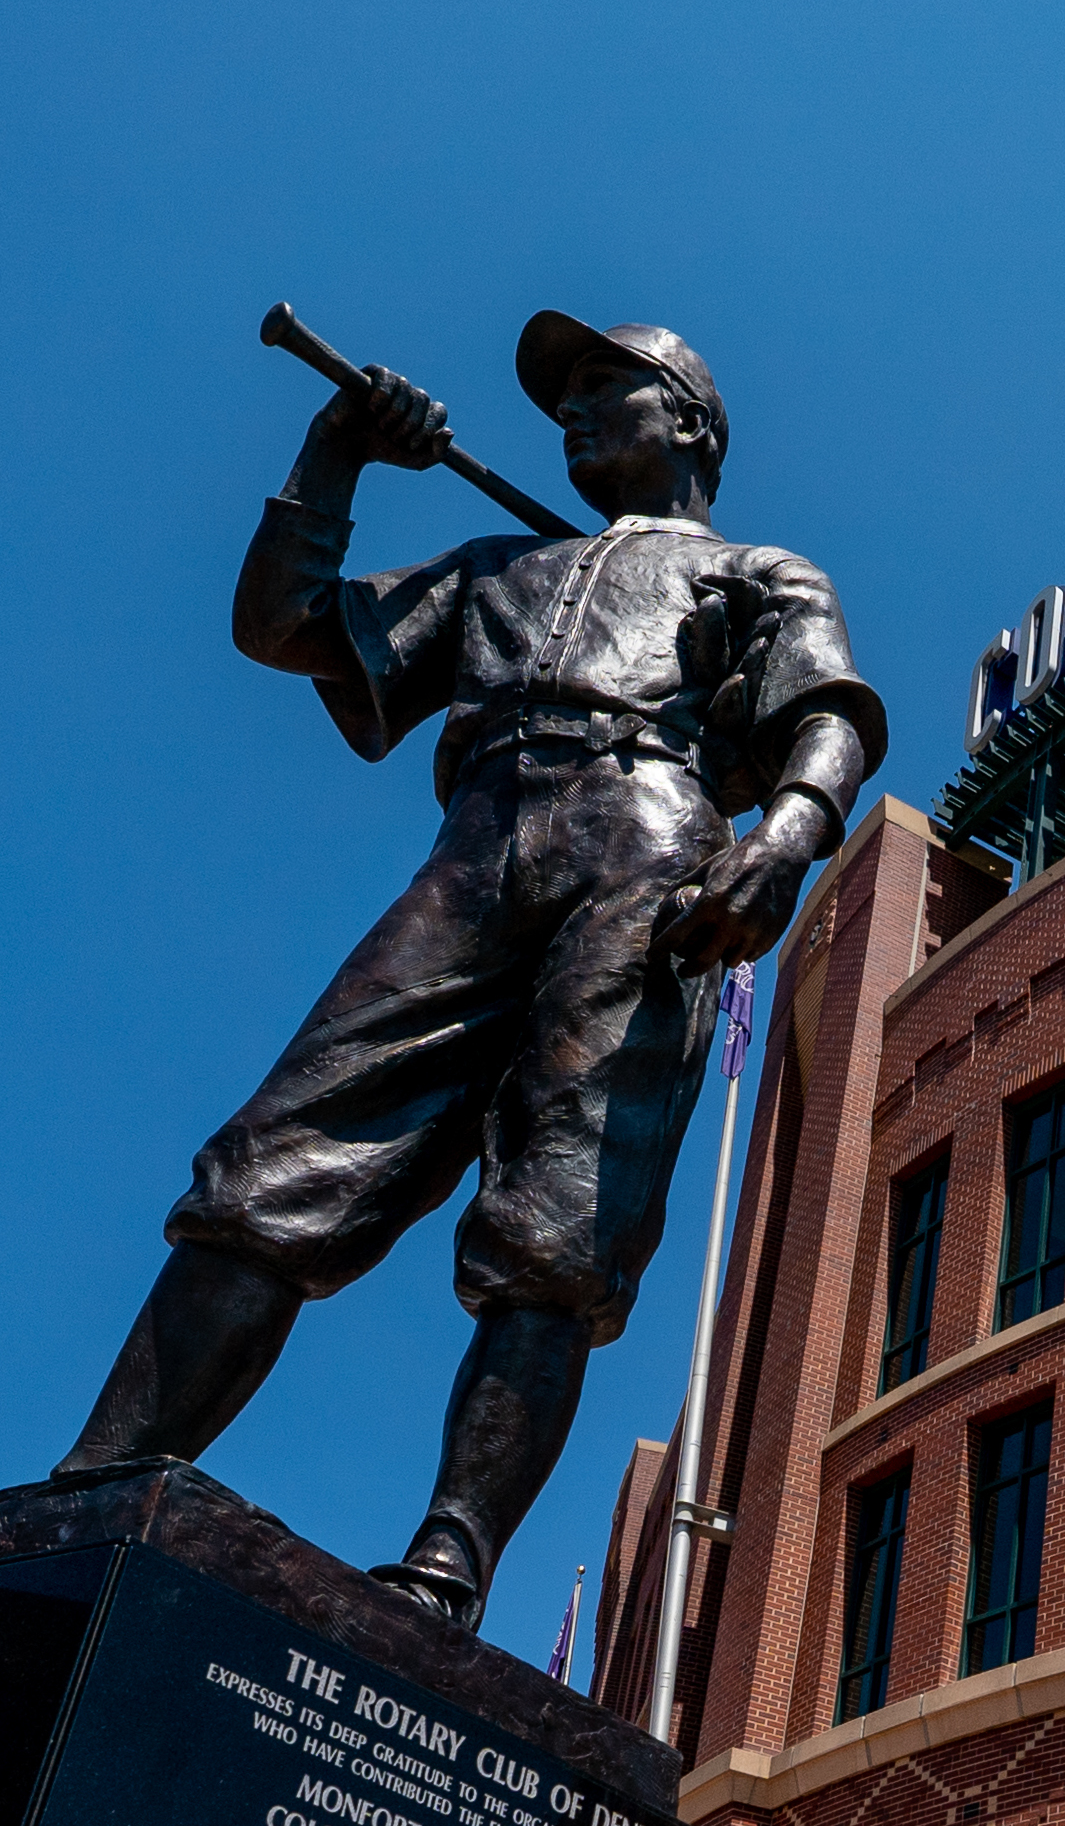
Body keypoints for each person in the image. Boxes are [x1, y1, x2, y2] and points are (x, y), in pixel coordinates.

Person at [53, 313, 887, 1632]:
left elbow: (827, 712)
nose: (575, 417)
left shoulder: (754, 571)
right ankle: (95, 1480)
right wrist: (337, 452)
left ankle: (445, 1563)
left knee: (561, 1219)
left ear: (691, 423)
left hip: (648, 837)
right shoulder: (499, 565)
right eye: (564, 402)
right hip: (478, 841)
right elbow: (283, 625)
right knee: (278, 1155)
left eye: (608, 390)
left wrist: (786, 835)